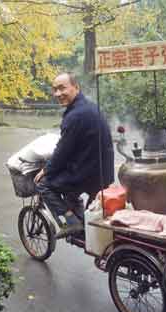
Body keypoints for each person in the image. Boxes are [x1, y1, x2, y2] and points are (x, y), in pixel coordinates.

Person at [34, 72, 114, 237]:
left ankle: (72, 223)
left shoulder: (74, 116)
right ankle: (80, 223)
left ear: (76, 87)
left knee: (43, 184)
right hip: (102, 171)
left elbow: (63, 151)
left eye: (62, 88)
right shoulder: (90, 107)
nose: (58, 94)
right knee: (68, 187)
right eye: (55, 90)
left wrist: (46, 170)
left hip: (88, 173)